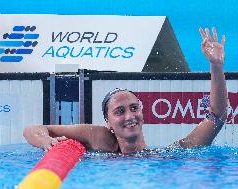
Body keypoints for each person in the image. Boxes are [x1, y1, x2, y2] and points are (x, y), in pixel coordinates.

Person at [23, 27, 227, 154]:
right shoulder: (98, 139)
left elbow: (217, 117)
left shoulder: (169, 155)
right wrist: (46, 142)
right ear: (108, 123)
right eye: (120, 111)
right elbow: (32, 130)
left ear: (142, 112)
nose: (130, 116)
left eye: (133, 108)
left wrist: (216, 66)